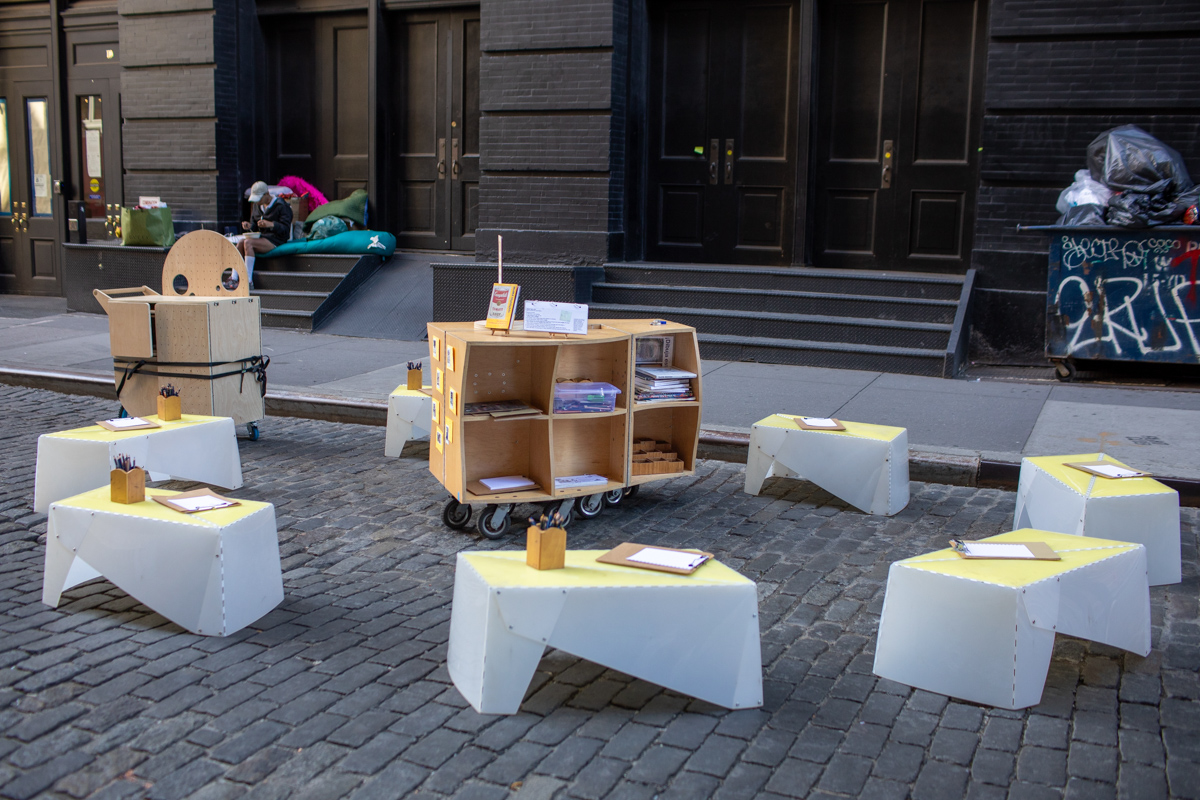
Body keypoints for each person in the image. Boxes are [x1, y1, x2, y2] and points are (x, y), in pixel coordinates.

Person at [235, 181, 292, 285]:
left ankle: (248, 280)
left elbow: (285, 230)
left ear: (267, 194)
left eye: (259, 199)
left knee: (248, 243)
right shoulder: (257, 206)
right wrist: (249, 226)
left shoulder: (281, 206)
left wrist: (271, 224)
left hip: (276, 239)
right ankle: (234, 277)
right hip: (262, 237)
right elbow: (254, 225)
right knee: (240, 242)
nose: (257, 202)